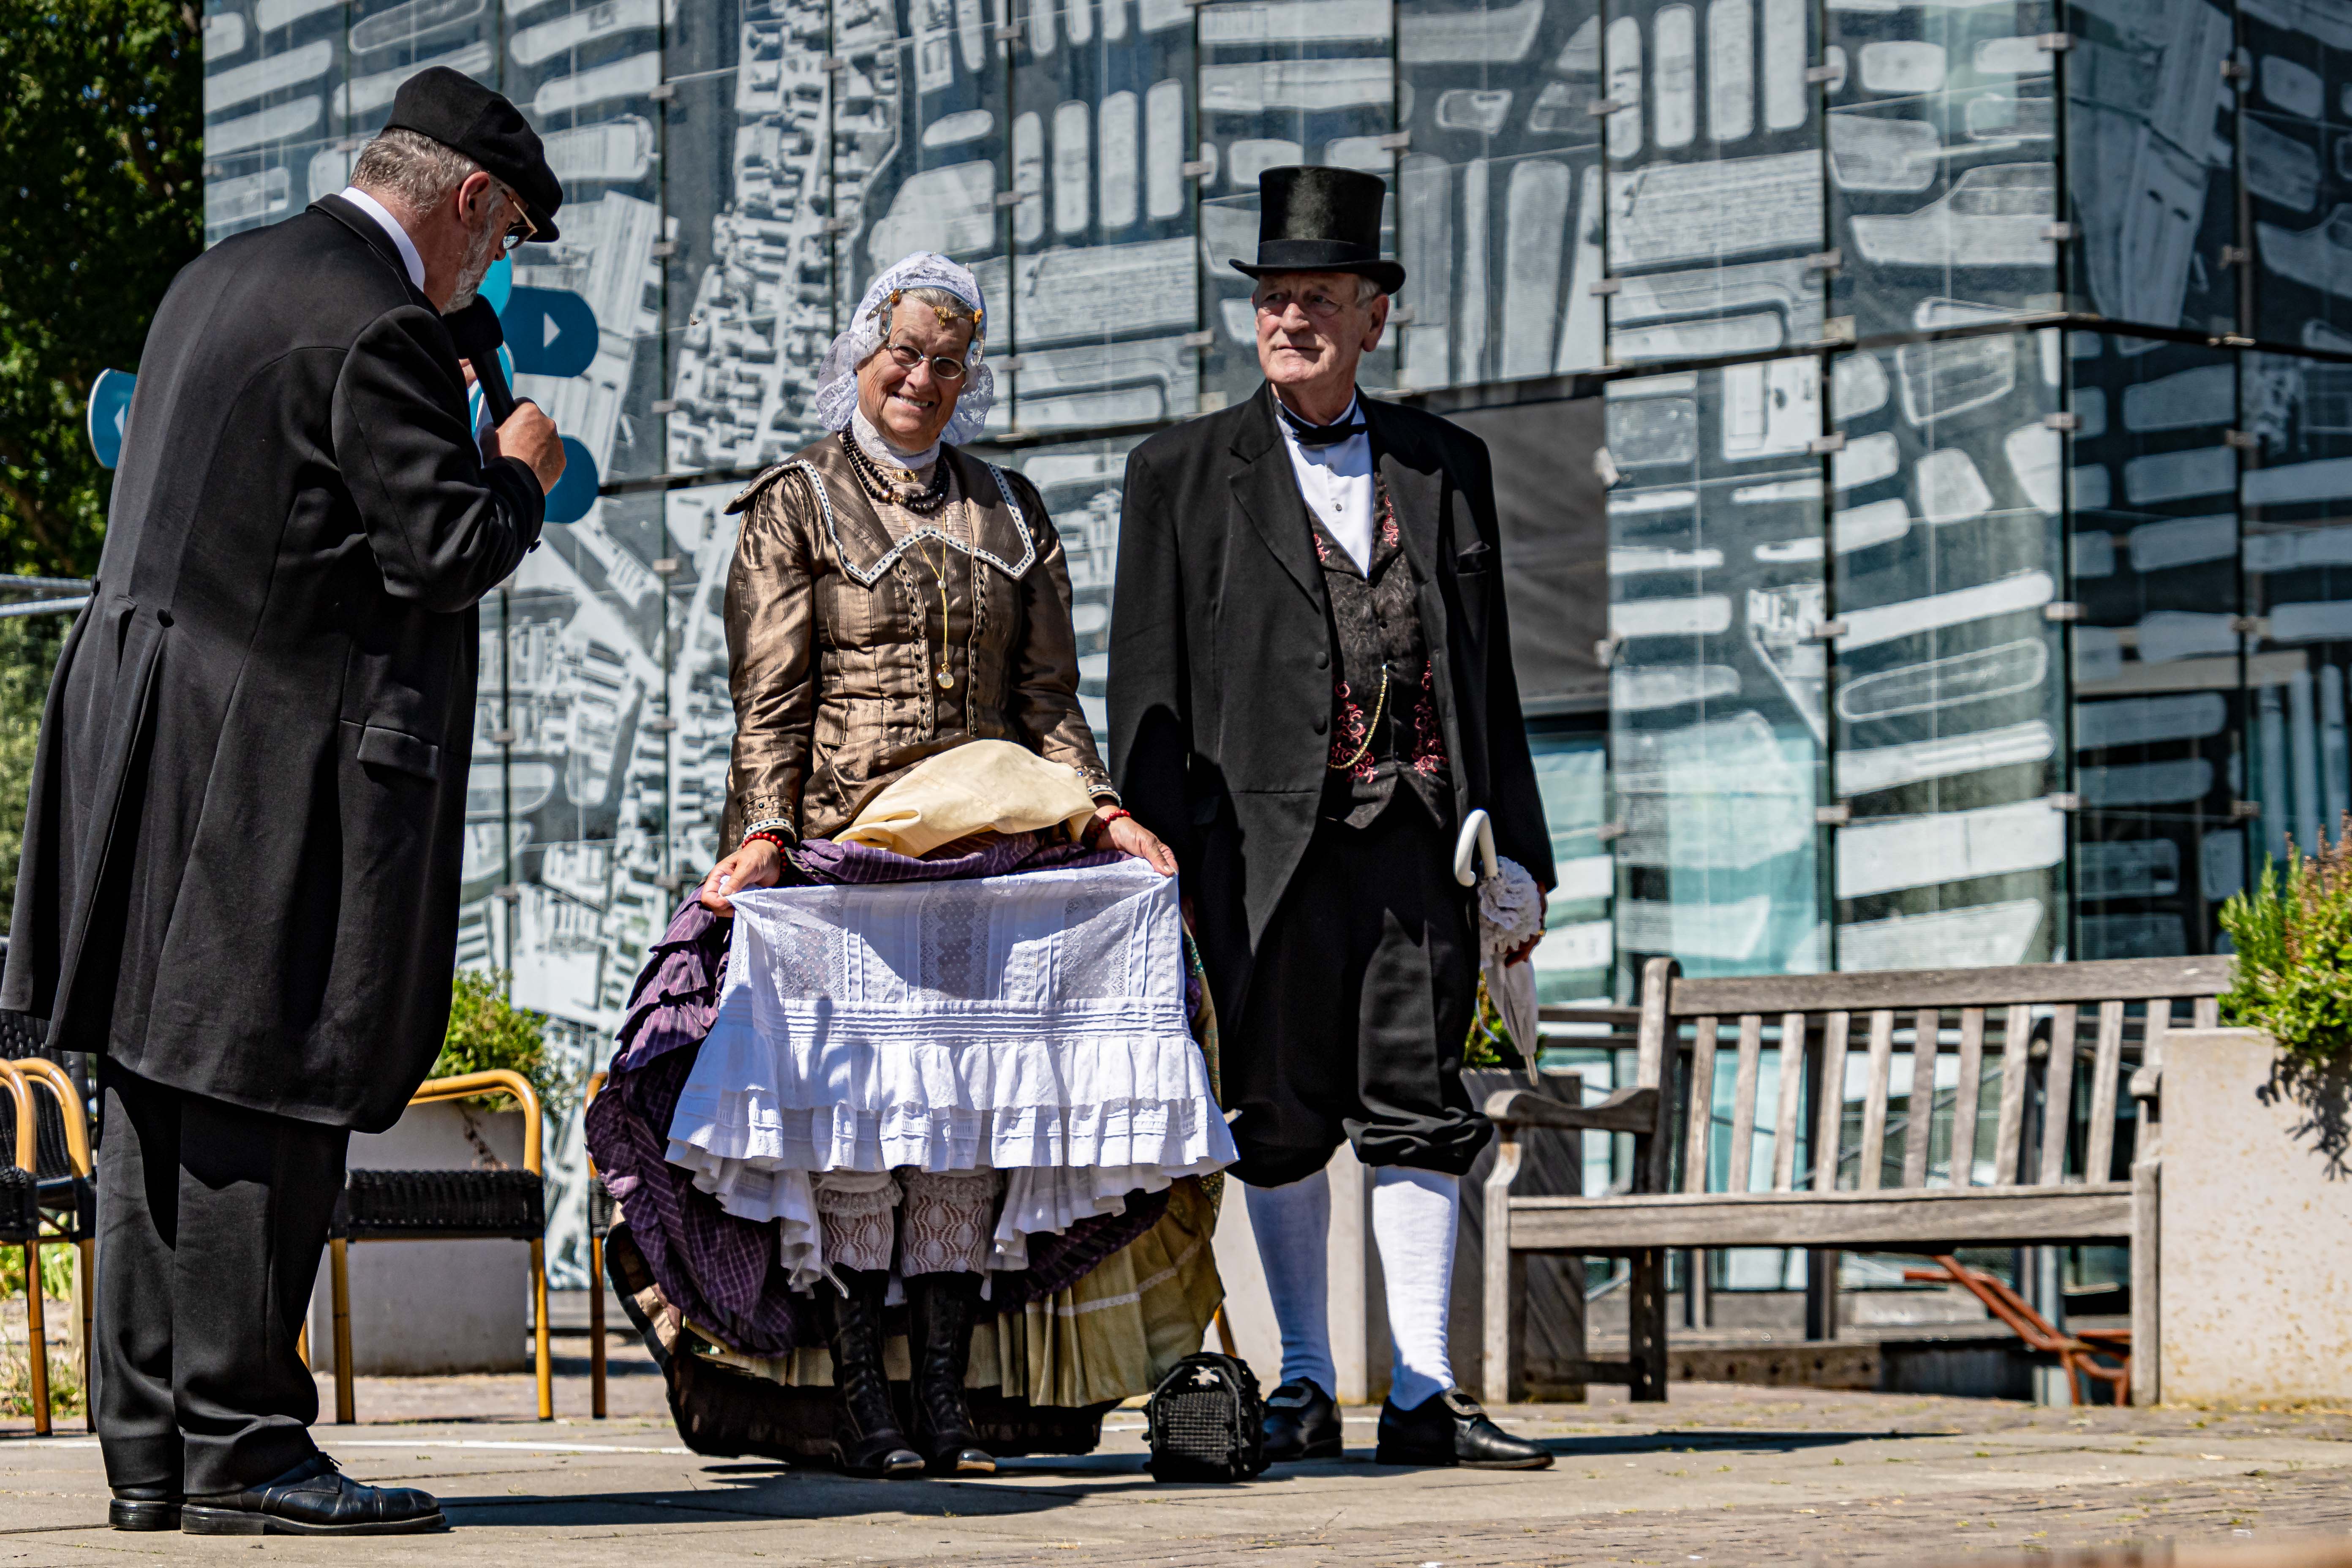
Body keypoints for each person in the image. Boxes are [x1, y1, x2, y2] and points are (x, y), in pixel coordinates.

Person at [0, 69, 566, 1535]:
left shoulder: (220, 276)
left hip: (144, 741)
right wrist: (517, 473)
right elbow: (439, 549)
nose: (491, 273)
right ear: (471, 200)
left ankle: (154, 1455)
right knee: (265, 1085)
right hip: (271, 760)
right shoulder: (378, 319)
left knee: (156, 1099)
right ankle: (249, 1448)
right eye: (501, 244)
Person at [684, 253, 1217, 1479]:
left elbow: (1047, 699)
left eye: (947, 361)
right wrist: (761, 838)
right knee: (862, 1128)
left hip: (988, 860)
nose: (923, 379)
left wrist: (1099, 813)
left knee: (966, 1123)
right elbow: (771, 699)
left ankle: (946, 1403)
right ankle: (867, 1407)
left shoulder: (1012, 509)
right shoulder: (797, 504)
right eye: (904, 355)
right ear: (863, 356)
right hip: (848, 861)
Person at [1107, 166, 1557, 1470]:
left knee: (1422, 1104)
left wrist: (1518, 855)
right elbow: (1146, 684)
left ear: (1374, 317)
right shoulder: (1179, 474)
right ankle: (1304, 1382)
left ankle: (1424, 1393)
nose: (1290, 317)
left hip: (1422, 840)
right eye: (1274, 297)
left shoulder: (1447, 466)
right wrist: (1154, 868)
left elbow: (1492, 678)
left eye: (1320, 297)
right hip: (1254, 855)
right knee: (1279, 1109)